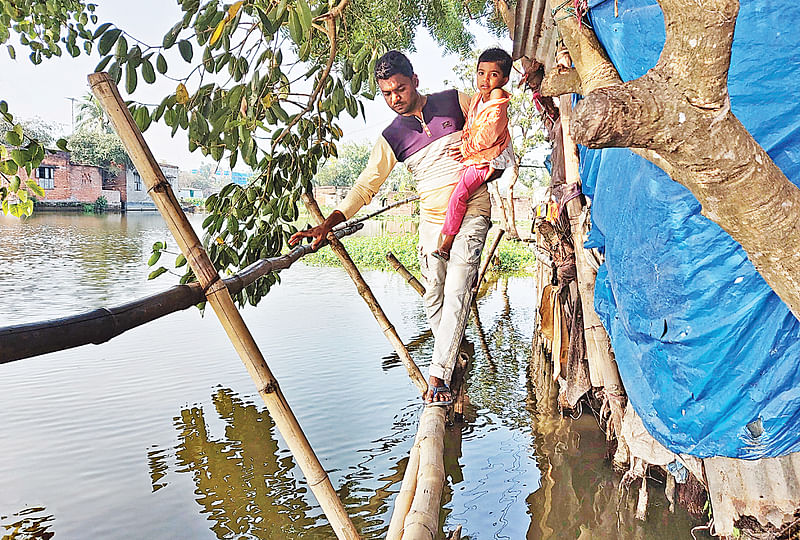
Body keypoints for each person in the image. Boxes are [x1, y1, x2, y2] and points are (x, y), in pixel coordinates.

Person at [288, 50, 492, 406]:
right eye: (386, 93)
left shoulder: (454, 102)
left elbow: (495, 129)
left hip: (473, 208)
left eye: (400, 88)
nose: (395, 98)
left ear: (415, 80)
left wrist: (489, 159)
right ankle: (453, 351)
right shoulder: (392, 136)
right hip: (432, 221)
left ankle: (439, 375)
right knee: (434, 297)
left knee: (458, 288)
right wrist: (325, 225)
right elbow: (366, 187)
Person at [432, 48, 514, 262]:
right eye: (481, 73)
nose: (485, 79)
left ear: (504, 79)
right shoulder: (479, 98)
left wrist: (465, 149)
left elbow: (487, 136)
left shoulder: (497, 106)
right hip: (477, 156)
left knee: (459, 194)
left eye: (493, 74)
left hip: (486, 159)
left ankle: (447, 243)